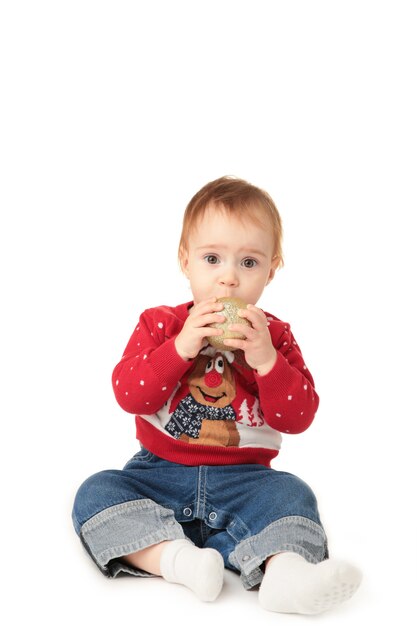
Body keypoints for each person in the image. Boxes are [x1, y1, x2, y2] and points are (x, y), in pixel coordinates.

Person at [72, 176, 362, 614]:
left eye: (249, 263)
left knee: (293, 495)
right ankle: (178, 561)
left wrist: (266, 361)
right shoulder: (162, 325)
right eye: (212, 259)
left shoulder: (276, 337)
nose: (229, 279)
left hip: (247, 480)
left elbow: (297, 418)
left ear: (272, 269)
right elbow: (131, 395)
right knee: (95, 492)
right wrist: (180, 348)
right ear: (185, 262)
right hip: (158, 474)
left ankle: (285, 576)